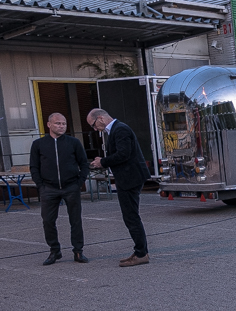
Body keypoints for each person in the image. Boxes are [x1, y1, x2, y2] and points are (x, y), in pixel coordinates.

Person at [87, 108, 151, 266]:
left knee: (131, 216)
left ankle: (141, 254)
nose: (95, 129)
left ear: (100, 118)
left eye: (94, 125)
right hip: (128, 177)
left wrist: (102, 161)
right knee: (130, 216)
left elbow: (124, 154)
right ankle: (140, 251)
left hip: (130, 178)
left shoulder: (120, 129)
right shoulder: (117, 129)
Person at [29, 112, 90, 265]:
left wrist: (79, 182)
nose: (61, 126)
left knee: (75, 220)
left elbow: (84, 163)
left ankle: (78, 251)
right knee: (48, 221)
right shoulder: (38, 144)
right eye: (58, 123)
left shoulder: (73, 142)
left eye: (63, 123)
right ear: (49, 124)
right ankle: (54, 251)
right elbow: (34, 166)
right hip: (48, 188)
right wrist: (41, 185)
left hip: (71, 187)